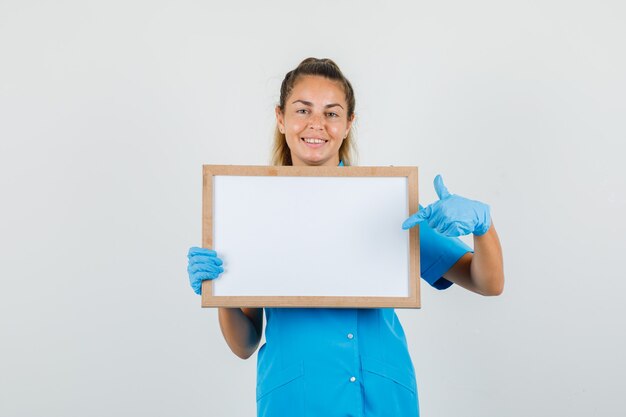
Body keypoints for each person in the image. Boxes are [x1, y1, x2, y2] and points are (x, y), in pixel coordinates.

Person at [187, 57, 504, 417]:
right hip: (295, 401)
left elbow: (488, 282)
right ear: (281, 118)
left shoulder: (387, 202)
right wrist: (221, 291)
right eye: (302, 110)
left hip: (382, 400)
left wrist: (483, 227)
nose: (316, 125)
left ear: (349, 123)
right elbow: (244, 344)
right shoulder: (251, 207)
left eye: (332, 113)